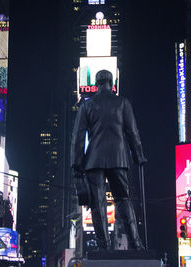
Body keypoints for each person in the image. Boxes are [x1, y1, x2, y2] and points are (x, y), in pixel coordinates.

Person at [71, 69, 147, 250]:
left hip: (94, 161)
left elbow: (77, 137)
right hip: (118, 159)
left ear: (96, 84)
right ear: (112, 84)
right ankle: (136, 244)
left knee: (98, 204)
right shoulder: (122, 103)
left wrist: (76, 164)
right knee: (123, 199)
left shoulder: (87, 105)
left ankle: (103, 246)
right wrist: (139, 156)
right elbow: (133, 133)